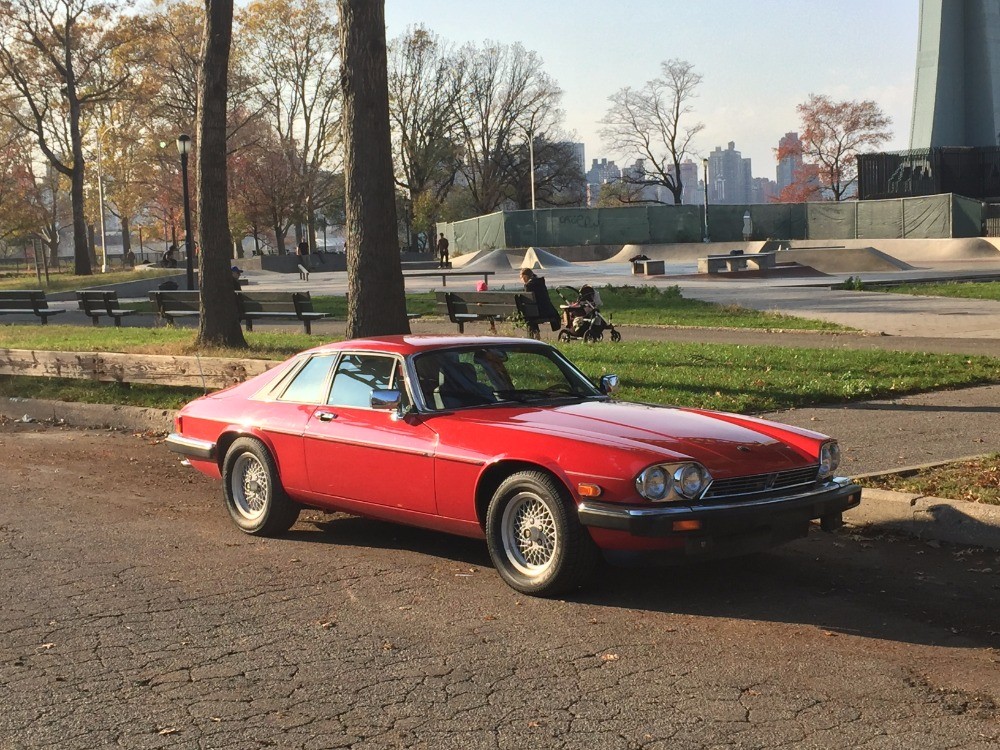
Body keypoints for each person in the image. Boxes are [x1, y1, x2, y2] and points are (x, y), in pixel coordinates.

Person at [519, 267, 560, 339]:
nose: (521, 280)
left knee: (528, 314)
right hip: (548, 311)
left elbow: (527, 302)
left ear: (525, 277)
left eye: (521, 278)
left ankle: (535, 332)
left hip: (538, 313)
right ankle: (536, 333)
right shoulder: (540, 282)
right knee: (531, 311)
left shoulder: (528, 285)